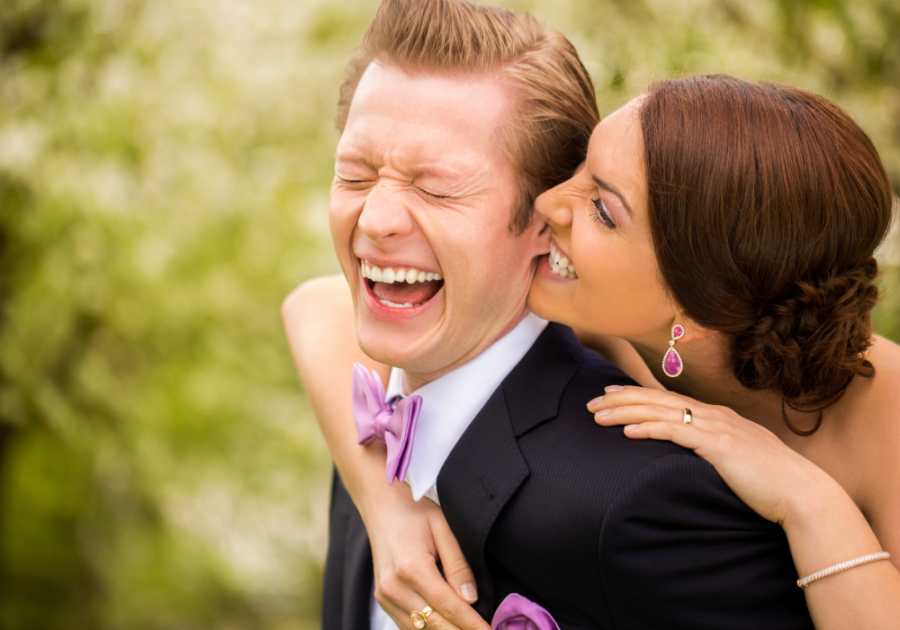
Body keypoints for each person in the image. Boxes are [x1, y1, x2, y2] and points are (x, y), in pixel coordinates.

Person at [289, 64, 900, 630]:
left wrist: (806, 498)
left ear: (700, 308)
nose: (548, 203)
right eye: (578, 170)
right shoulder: (601, 315)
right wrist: (389, 508)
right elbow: (317, 307)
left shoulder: (887, 420)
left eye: (603, 210)